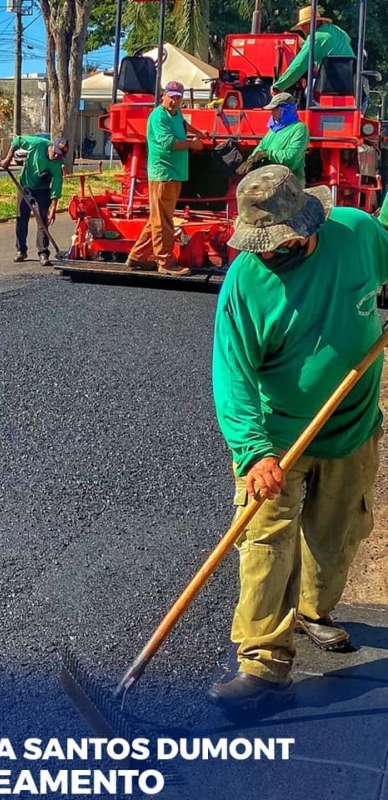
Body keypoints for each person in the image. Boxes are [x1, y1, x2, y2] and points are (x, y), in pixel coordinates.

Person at [209, 164, 388, 717]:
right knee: (264, 541)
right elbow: (232, 375)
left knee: (338, 534)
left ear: (307, 226)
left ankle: (315, 609)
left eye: (277, 243)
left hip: (353, 423)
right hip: (277, 434)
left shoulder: (358, 235)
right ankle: (263, 665)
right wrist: (254, 451)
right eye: (258, 244)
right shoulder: (244, 283)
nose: (266, 253)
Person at [126, 81, 204, 276]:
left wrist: (198, 132)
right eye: (171, 96)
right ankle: (165, 262)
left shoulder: (176, 113)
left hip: (174, 173)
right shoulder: (159, 117)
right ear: (163, 96)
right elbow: (169, 143)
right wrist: (192, 144)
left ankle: (137, 256)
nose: (174, 101)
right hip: (163, 174)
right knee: (164, 221)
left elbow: (183, 123)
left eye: (178, 97)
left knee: (157, 218)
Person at [0, 135, 68, 267]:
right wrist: (8, 159)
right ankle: (21, 250)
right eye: (55, 153)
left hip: (43, 190)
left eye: (60, 156)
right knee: (21, 218)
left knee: (43, 220)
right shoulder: (38, 144)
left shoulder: (58, 164)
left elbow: (56, 186)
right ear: (51, 147)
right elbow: (16, 141)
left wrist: (53, 209)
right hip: (25, 187)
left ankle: (43, 253)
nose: (56, 157)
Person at [271, 5, 355, 95]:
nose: (303, 29)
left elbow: (299, 64)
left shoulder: (314, 38)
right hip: (353, 83)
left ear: (313, 23)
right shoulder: (337, 30)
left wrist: (279, 87)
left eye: (304, 25)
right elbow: (348, 39)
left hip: (332, 84)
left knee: (308, 92)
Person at [237, 93, 309, 186]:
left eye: (275, 109)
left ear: (285, 110)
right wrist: (251, 159)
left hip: (290, 184)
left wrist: (267, 154)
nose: (272, 113)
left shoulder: (300, 129)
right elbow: (261, 146)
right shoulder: (274, 129)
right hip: (269, 181)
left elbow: (291, 157)